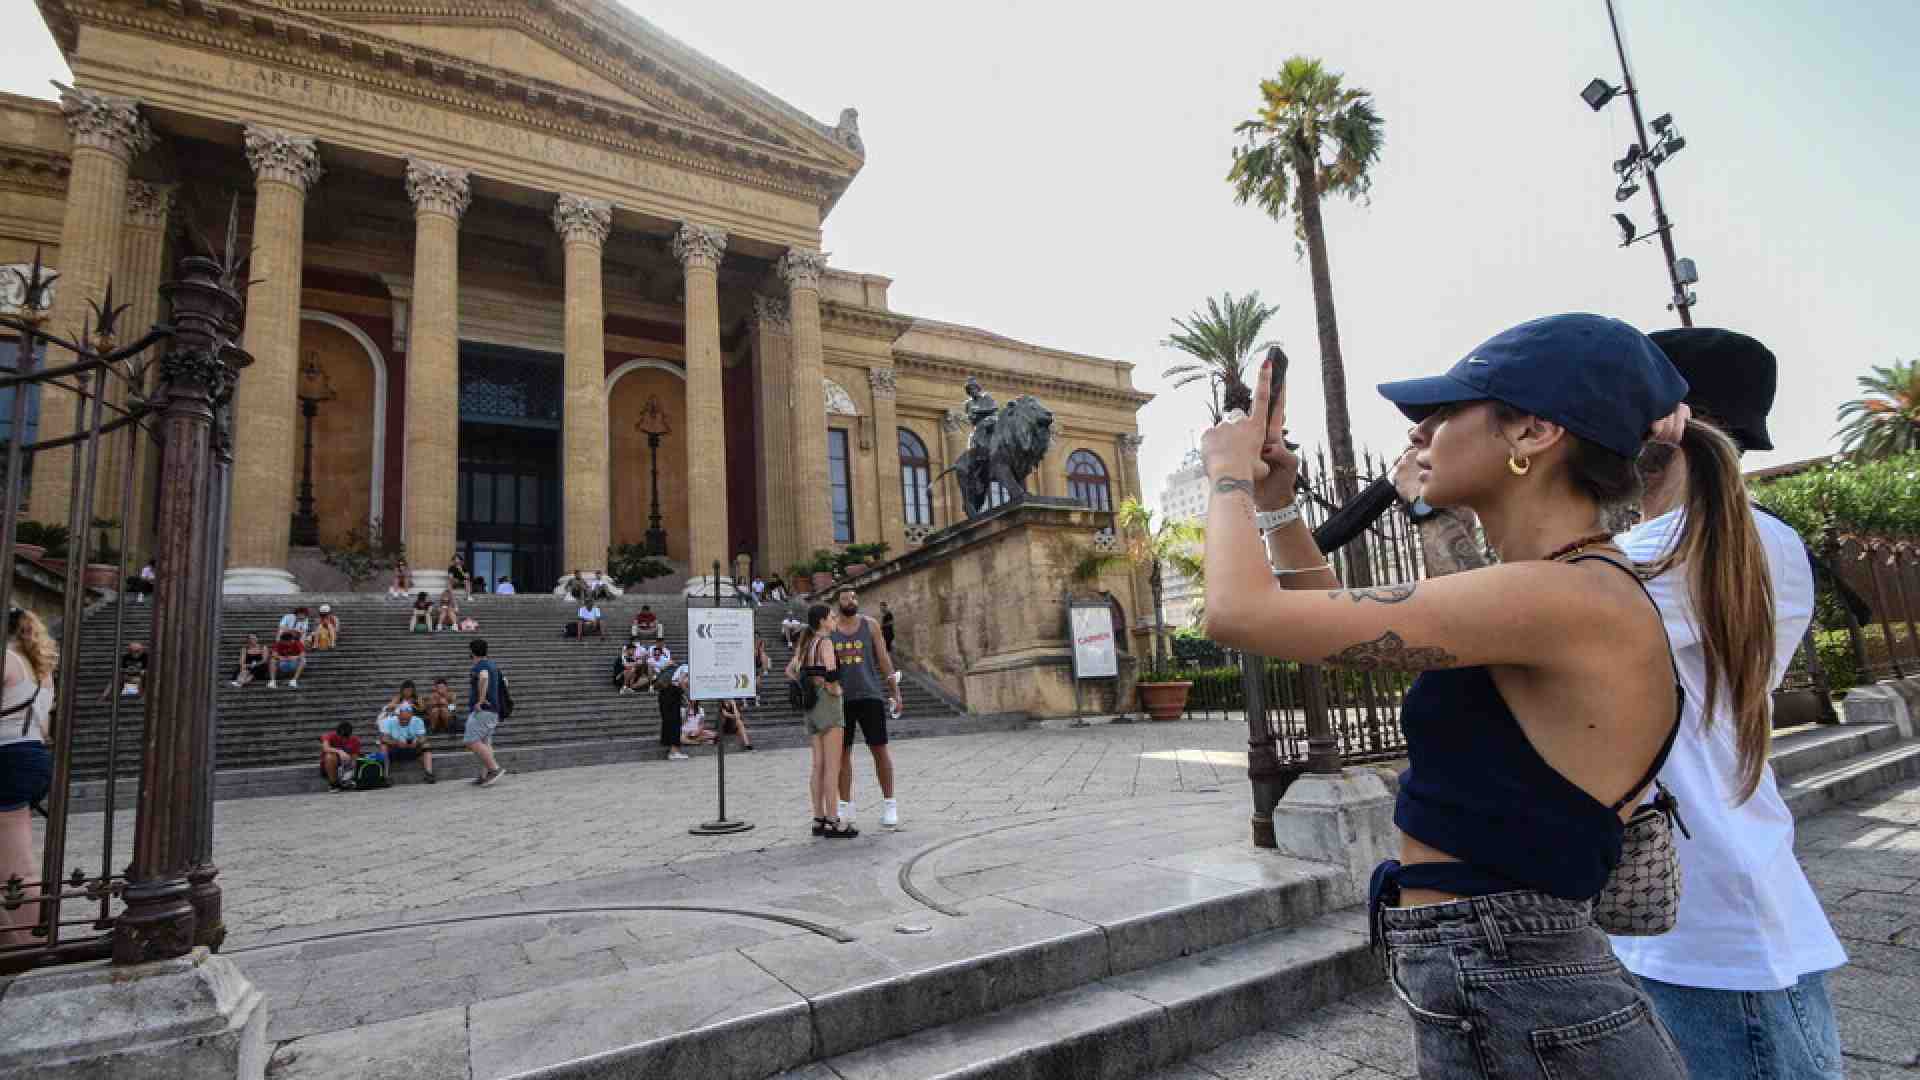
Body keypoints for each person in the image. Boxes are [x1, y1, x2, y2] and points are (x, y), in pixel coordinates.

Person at [1200, 315, 1768, 1079]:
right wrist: (1275, 506)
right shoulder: (1553, 586)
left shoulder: (1561, 596)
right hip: (1513, 979)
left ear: (1533, 431)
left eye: (1444, 411)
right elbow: (1332, 624)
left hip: (1517, 986)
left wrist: (1226, 476)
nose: (1420, 434)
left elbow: (1239, 614)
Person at [1601, 328, 1847, 1080]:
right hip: (1729, 895)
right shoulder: (1755, 538)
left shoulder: (1681, 548)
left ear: (1666, 420)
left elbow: (1505, 615)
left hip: (1707, 923)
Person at [2, 607, 57, 944]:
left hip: (8, 757)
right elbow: (45, 728)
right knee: (14, 852)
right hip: (33, 755)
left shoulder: (6, 659)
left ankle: (22, 944)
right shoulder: (41, 671)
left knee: (16, 861)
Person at [828, 588, 904, 828]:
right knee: (842, 754)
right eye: (846, 597)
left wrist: (895, 691)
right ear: (837, 603)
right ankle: (845, 807)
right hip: (840, 699)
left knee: (880, 750)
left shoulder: (870, 625)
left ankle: (890, 805)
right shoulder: (830, 629)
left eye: (854, 597)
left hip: (870, 695)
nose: (851, 600)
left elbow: (883, 659)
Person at [787, 603, 853, 837]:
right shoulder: (824, 642)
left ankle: (818, 818)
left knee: (818, 765)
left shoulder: (806, 644)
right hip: (827, 704)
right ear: (823, 621)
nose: (835, 620)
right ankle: (834, 820)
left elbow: (790, 671)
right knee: (833, 767)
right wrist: (831, 687)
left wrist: (811, 682)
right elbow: (832, 672)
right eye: (832, 617)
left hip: (811, 707)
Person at [464, 639, 506, 786]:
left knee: (471, 740)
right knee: (484, 742)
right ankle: (484, 774)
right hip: (493, 710)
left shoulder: (481, 665)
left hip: (483, 711)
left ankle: (494, 769)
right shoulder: (492, 665)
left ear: (472, 651)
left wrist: (481, 700)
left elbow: (484, 677)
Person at [378, 701, 437, 784]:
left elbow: (423, 737)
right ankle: (385, 776)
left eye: (407, 719)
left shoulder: (417, 721)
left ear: (411, 716)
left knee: (426, 745)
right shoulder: (388, 721)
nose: (405, 721)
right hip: (395, 748)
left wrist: (417, 742)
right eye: (402, 719)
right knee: (383, 747)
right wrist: (396, 743)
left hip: (412, 748)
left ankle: (429, 774)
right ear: (398, 715)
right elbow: (383, 738)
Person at [656, 660, 689, 761]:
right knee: (675, 722)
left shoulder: (679, 668)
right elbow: (682, 681)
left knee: (668, 721)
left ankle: (669, 747)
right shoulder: (687, 667)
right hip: (672, 694)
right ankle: (674, 751)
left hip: (664, 694)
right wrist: (688, 695)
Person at [320, 721, 360, 792]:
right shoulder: (329, 736)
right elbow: (325, 748)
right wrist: (340, 751)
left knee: (354, 762)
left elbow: (354, 758)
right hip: (329, 767)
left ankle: (346, 781)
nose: (344, 739)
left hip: (345, 767)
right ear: (337, 733)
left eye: (346, 737)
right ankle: (333, 784)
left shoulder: (355, 740)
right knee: (330, 756)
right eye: (341, 737)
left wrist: (350, 771)